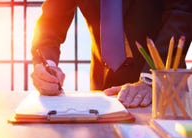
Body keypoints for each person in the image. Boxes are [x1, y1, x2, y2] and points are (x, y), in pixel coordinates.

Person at [30, 0, 192, 108]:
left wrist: (153, 78)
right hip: (103, 88)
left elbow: (182, 11)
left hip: (162, 86)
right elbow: (51, 22)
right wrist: (46, 65)